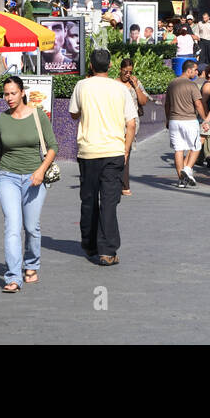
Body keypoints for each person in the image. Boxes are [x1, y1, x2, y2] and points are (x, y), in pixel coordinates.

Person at [70, 49, 137, 266]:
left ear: (90, 66)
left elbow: (73, 113)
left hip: (88, 151)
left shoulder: (82, 86)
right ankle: (107, 251)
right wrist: (126, 150)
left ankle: (89, 244)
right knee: (109, 201)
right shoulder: (120, 89)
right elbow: (131, 123)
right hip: (114, 151)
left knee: (88, 199)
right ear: (110, 67)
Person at [0, 75, 57, 293]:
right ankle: (13, 277)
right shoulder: (0, 121)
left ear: (22, 93)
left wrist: (40, 171)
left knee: (31, 227)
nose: (9, 98)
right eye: (6, 94)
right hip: (7, 176)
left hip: (34, 176)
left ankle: (31, 264)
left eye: (13, 93)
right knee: (12, 226)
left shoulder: (38, 116)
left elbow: (53, 147)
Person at [165, 59, 208, 188]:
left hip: (174, 120)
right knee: (196, 147)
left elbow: (167, 104)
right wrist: (205, 119)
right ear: (188, 70)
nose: (196, 72)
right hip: (189, 120)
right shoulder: (191, 85)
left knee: (179, 150)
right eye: (195, 70)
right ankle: (188, 169)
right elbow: (198, 104)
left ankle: (181, 180)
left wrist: (168, 119)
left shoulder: (172, 83)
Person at [117, 56, 150, 197]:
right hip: (117, 120)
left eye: (130, 71)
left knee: (126, 152)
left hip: (132, 121)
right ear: (120, 70)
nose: (128, 74)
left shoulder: (135, 83)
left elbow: (143, 101)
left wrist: (136, 86)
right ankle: (120, 183)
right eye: (125, 71)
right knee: (118, 151)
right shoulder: (114, 83)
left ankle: (124, 184)